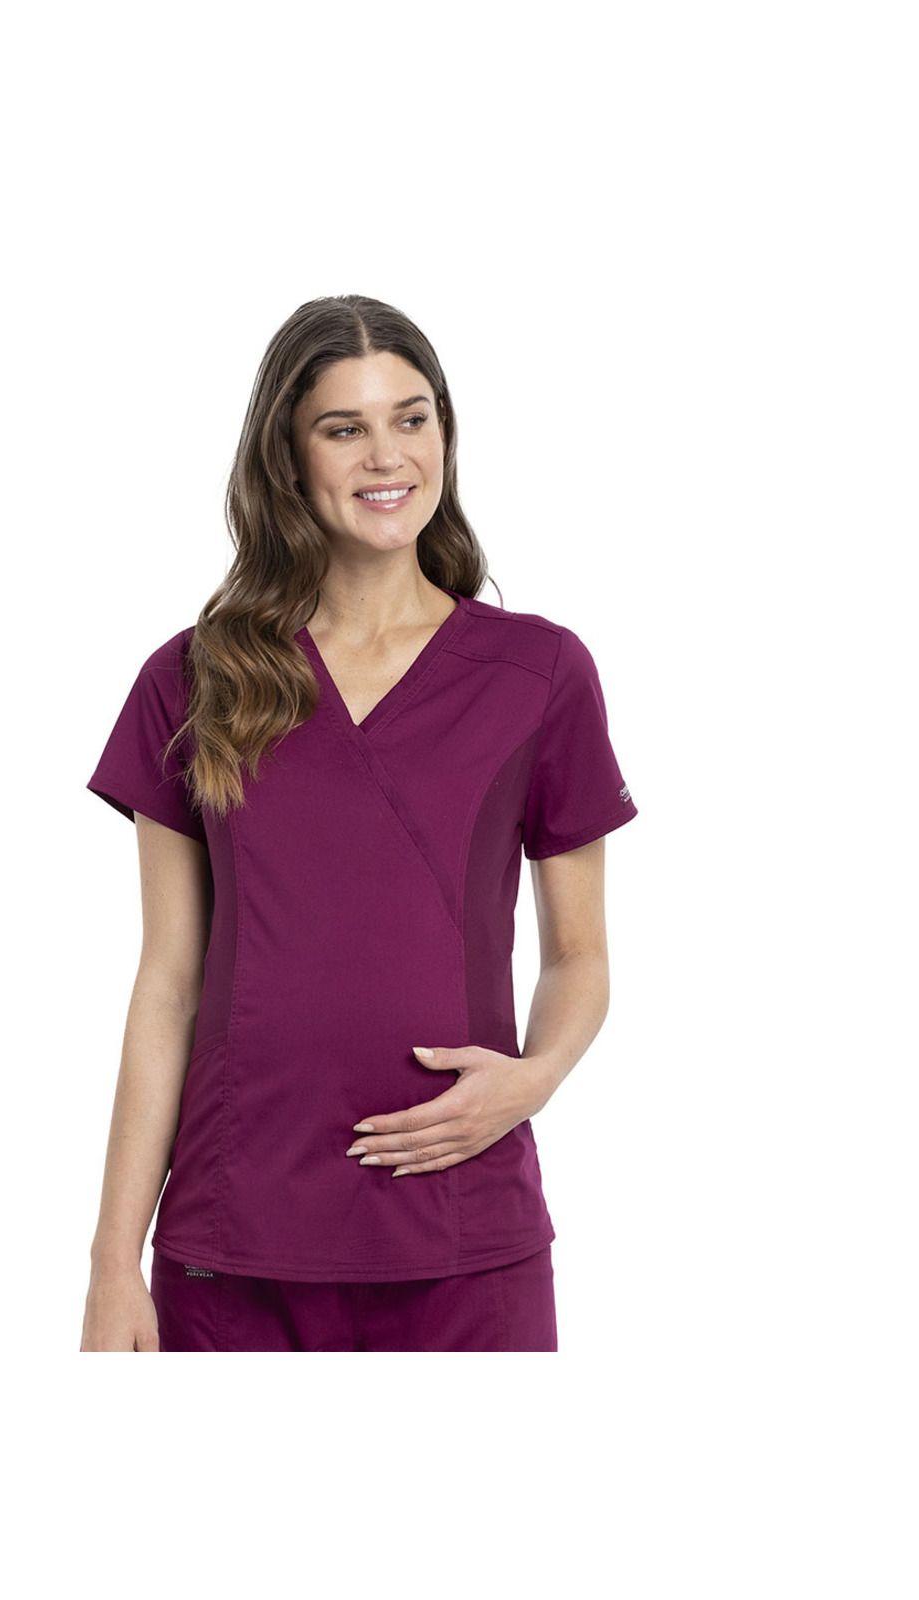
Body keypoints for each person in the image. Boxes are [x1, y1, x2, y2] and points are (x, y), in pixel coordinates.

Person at [79, 294, 638, 1352]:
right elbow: (168, 983)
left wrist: (532, 1080)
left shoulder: (539, 674)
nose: (388, 455)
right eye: (345, 428)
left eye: (411, 418)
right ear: (289, 459)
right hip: (233, 1240)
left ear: (445, 436)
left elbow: (580, 954)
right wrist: (113, 1261)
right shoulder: (194, 680)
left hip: (464, 1232)